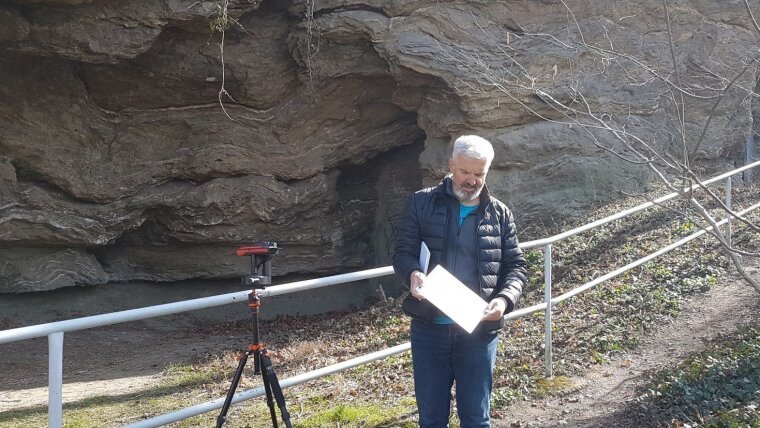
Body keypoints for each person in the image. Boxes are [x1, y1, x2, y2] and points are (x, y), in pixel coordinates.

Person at [393, 135, 527, 428]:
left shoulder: (501, 214)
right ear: (451, 164)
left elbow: (516, 267)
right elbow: (403, 252)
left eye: (479, 174)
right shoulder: (421, 202)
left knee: (477, 420)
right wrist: (412, 273)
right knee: (431, 420)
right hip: (429, 331)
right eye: (465, 172)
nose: (471, 180)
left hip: (479, 334)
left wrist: (504, 300)